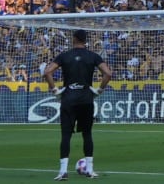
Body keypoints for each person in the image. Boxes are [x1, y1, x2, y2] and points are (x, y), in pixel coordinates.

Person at [41, 29, 113, 180]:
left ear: (74, 39)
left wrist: (55, 90)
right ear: (85, 40)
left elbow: (47, 72)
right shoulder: (93, 56)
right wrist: (99, 90)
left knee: (66, 135)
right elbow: (108, 73)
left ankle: (63, 172)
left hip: (68, 99)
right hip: (86, 99)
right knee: (87, 134)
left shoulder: (65, 56)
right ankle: (90, 170)